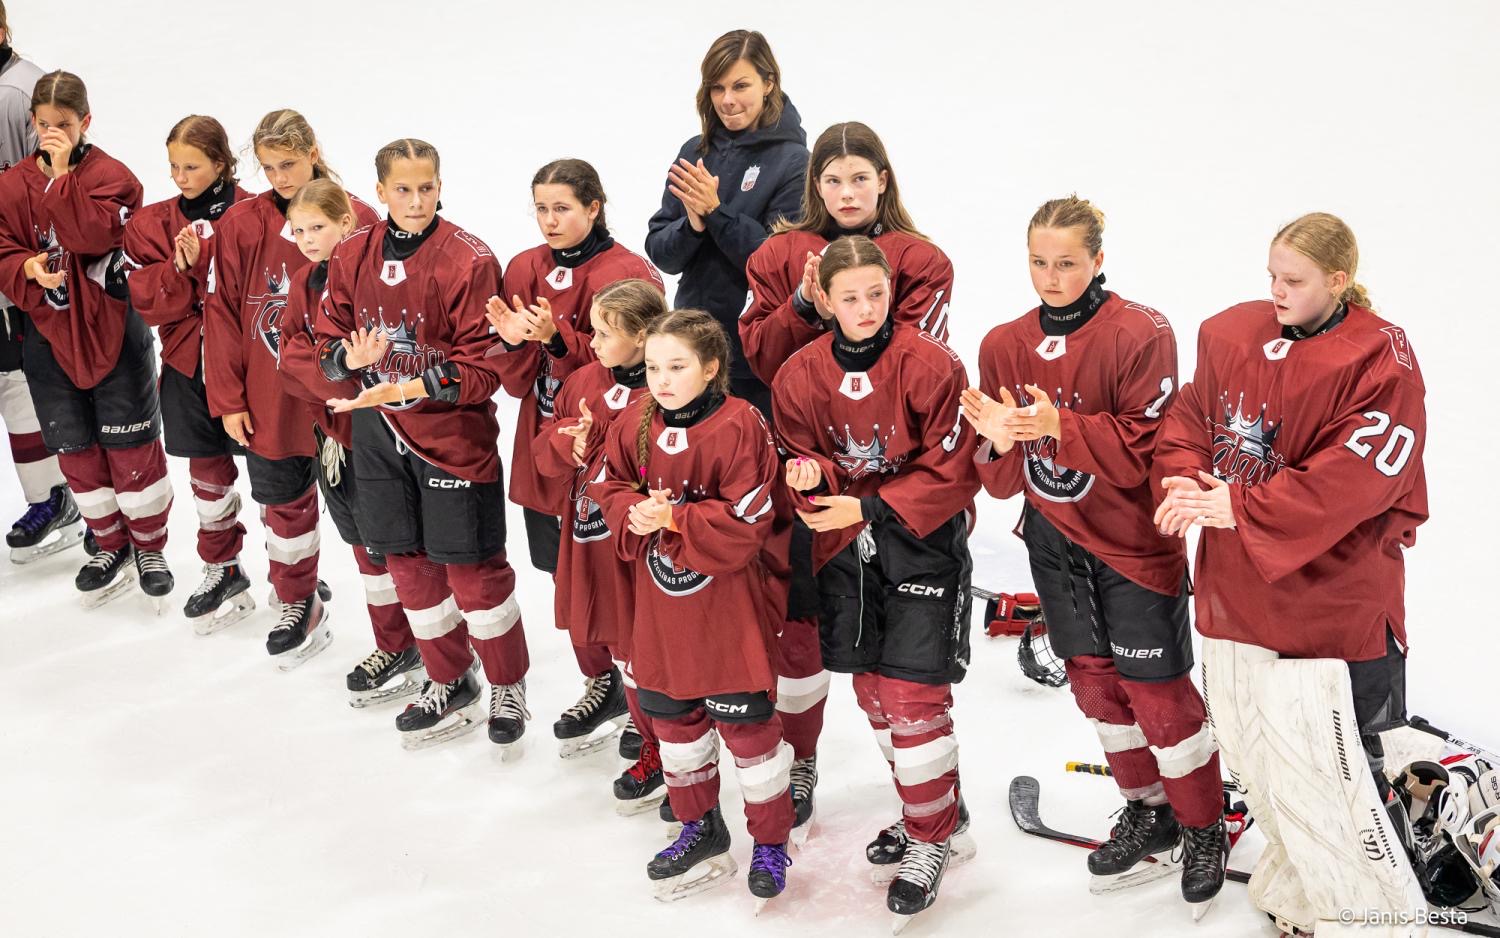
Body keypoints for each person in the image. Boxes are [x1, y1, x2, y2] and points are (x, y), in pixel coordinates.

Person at [1153, 212, 1429, 935]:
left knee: (1341, 774)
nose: (1276, 290)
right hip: (1238, 593)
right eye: (1271, 275)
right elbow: (1189, 421)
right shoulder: (1229, 333)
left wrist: (1239, 505)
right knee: (1260, 760)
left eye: (1295, 280)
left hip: (1332, 604)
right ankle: (1306, 888)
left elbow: (1359, 478)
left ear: (1339, 281)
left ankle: (1367, 915)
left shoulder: (1381, 355)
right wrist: (1185, 481)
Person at [961, 196, 1226, 905]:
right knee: (1096, 687)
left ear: (1099, 259)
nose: (1050, 278)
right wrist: (998, 440)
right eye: (1038, 263)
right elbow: (1001, 481)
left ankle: (1204, 824)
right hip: (1053, 545)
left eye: (1067, 263)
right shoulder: (1003, 343)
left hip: (1134, 544)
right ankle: (1149, 810)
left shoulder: (1142, 331)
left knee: (1159, 694)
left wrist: (1059, 425)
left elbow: (1147, 448)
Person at [739, 119, 959, 836]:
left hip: (896, 502)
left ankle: (933, 817)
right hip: (817, 488)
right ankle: (807, 760)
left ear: (883, 180)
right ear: (814, 185)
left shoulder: (921, 259)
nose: (847, 192)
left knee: (908, 683)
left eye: (860, 177)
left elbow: (901, 360)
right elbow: (764, 359)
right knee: (811, 636)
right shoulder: (779, 255)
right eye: (832, 180)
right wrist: (804, 306)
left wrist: (875, 500)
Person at [771, 236, 978, 925]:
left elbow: (954, 469)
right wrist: (809, 479)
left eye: (876, 294)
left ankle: (930, 838)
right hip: (844, 552)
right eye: (850, 297)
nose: (865, 308)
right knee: (872, 693)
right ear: (825, 299)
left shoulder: (933, 364)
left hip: (924, 549)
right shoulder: (798, 374)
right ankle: (940, 810)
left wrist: (867, 506)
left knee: (912, 695)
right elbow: (806, 468)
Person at [318, 138, 531, 753]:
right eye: (403, 189)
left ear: (441, 186)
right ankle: (448, 677)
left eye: (427, 187)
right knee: (408, 568)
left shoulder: (468, 259)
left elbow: (486, 368)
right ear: (379, 192)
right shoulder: (351, 251)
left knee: (474, 574)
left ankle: (507, 685)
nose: (416, 200)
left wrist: (415, 386)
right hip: (377, 436)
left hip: (451, 441)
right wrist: (344, 359)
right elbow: (327, 337)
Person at [592, 310, 795, 905]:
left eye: (677, 366)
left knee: (749, 734)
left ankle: (771, 842)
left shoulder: (741, 423)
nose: (661, 379)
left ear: (710, 368)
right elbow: (606, 483)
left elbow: (752, 517)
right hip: (661, 612)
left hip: (728, 612)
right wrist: (632, 511)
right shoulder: (635, 419)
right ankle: (699, 827)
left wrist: (677, 517)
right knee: (675, 728)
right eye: (654, 366)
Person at [204, 108, 376, 665]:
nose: (280, 177)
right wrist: (228, 398)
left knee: (369, 521)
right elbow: (222, 314)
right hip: (268, 396)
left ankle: (401, 633)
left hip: (344, 401)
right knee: (283, 504)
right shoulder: (240, 223)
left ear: (313, 153)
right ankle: (298, 600)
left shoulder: (359, 217)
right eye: (269, 167)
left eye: (290, 164)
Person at [0, 70, 175, 607]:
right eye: (44, 124)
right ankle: (108, 543)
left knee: (130, 446)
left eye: (65, 124)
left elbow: (90, 236)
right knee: (74, 448)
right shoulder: (10, 186)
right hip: (48, 336)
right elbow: (2, 247)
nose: (53, 133)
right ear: (32, 122)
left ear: (86, 122)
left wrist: (59, 179)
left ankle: (149, 547)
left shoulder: (113, 177)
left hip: (113, 333)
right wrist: (26, 267)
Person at [278, 179, 421, 704]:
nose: (308, 240)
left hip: (389, 435)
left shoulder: (375, 275)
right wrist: (338, 365)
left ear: (347, 224)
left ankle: (442, 650)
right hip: (336, 439)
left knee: (408, 550)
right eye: (299, 231)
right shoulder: (303, 280)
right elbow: (291, 356)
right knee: (366, 550)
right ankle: (394, 644)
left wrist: (347, 369)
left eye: (318, 227)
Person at [491, 158, 661, 588]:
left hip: (613, 451)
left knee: (622, 575)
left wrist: (556, 338)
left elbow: (641, 370)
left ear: (593, 207)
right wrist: (513, 343)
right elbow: (516, 385)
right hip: (543, 443)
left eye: (562, 208)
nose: (549, 221)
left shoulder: (630, 273)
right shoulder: (523, 268)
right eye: (541, 209)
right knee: (562, 575)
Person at [530, 278, 668, 803]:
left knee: (649, 647)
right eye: (592, 330)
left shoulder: (664, 389)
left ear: (642, 336)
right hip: (590, 537)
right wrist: (566, 444)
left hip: (642, 545)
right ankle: (651, 737)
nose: (592, 341)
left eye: (606, 333)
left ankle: (673, 745)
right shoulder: (584, 379)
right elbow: (546, 446)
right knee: (620, 646)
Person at [122, 115, 254, 628]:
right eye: (173, 166)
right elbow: (147, 302)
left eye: (192, 166)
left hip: (251, 367)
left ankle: (297, 577)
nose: (180, 177)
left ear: (221, 163)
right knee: (207, 473)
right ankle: (223, 566)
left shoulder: (258, 213)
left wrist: (204, 267)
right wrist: (179, 269)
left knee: (277, 473)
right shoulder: (150, 224)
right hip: (186, 365)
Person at [644, 28, 807, 417]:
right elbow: (662, 254)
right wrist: (693, 225)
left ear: (769, 83)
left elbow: (777, 262)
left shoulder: (795, 161)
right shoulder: (694, 151)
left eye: (740, 86)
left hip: (755, 359)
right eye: (717, 88)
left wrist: (716, 213)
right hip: (691, 351)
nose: (727, 100)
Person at [0, 3, 80, 563]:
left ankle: (56, 497)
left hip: (17, 275)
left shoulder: (21, 90)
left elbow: (52, 184)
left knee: (19, 385)